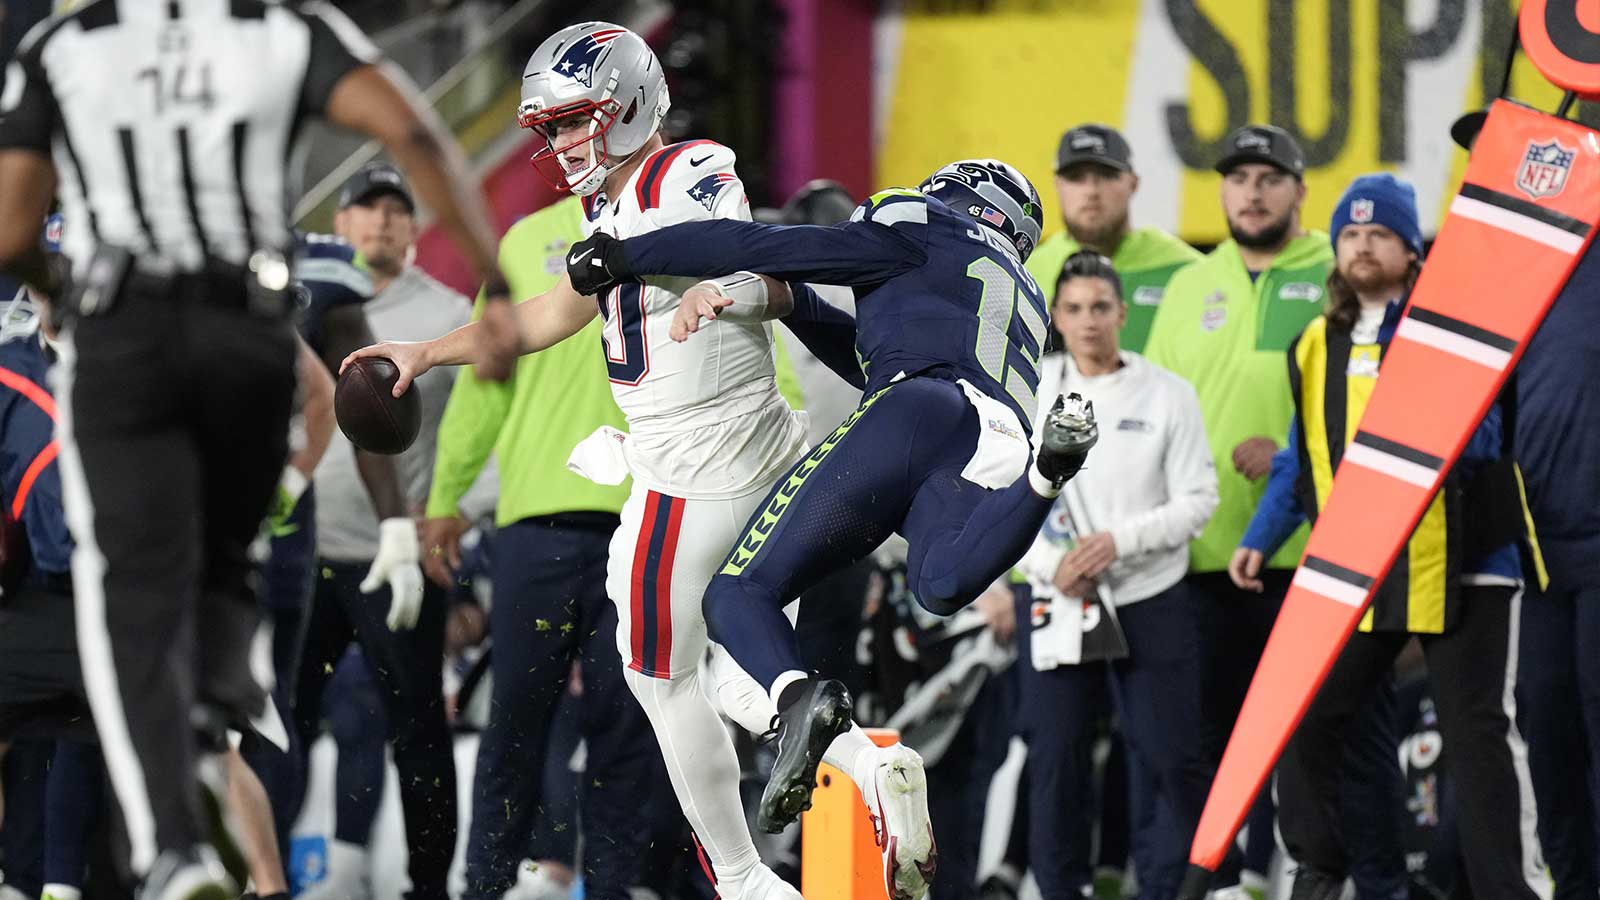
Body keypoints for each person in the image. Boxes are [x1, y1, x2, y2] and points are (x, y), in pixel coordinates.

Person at [348, 21, 933, 900]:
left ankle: (742, 879)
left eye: (578, 120)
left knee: (654, 674)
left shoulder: (684, 171)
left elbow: (728, 245)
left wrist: (714, 285)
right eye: (552, 128)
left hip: (697, 464)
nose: (564, 142)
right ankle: (859, 758)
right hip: (743, 456)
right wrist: (428, 353)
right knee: (725, 660)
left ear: (630, 103)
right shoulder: (607, 207)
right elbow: (549, 316)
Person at [0, 3, 520, 895]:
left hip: (123, 327)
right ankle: (205, 751)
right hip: (246, 326)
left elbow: (12, 229)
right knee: (224, 568)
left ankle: (174, 848)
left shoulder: (62, 45)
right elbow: (416, 131)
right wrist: (497, 283)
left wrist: (63, 288)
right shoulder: (286, 28)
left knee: (129, 586)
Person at [562, 156, 1103, 843]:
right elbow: (868, 353)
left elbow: (763, 248)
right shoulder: (1024, 290)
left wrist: (624, 256)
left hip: (916, 408)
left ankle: (795, 698)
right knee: (939, 584)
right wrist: (792, 307)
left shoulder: (922, 221)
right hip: (1000, 440)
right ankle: (1049, 479)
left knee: (737, 595)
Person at [1229, 173, 1545, 900]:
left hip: (1464, 559)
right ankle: (1318, 864)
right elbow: (1301, 453)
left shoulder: (1454, 329)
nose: (1362, 246)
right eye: (1349, 234)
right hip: (1360, 566)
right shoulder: (1314, 343)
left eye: (1379, 234)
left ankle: (1512, 891)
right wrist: (1263, 533)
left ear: (1411, 251)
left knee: (1479, 734)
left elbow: (1484, 440)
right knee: (1305, 714)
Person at [425, 193, 676, 900]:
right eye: (561, 126)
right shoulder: (525, 239)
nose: (574, 141)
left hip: (649, 520)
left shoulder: (680, 227)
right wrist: (446, 496)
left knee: (625, 726)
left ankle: (614, 889)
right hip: (538, 523)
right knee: (516, 719)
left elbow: (756, 366)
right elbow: (487, 377)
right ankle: (485, 887)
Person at [1141, 124, 1333, 884]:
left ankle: (1299, 871)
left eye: (1269, 178)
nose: (1251, 192)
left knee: (1308, 733)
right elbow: (1151, 407)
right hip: (1203, 549)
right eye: (1238, 179)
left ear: (1300, 191)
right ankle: (1224, 875)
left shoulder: (1333, 271)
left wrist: (1293, 458)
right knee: (1203, 737)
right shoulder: (1192, 282)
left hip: (1311, 551)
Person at [293, 163, 482, 900]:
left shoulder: (449, 311)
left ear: (414, 228)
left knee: (419, 734)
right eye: (365, 209)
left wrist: (457, 514)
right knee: (282, 724)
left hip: (401, 554)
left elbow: (484, 429)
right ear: (341, 224)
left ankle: (427, 888)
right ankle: (266, 877)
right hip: (305, 550)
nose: (380, 221)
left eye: (396, 211)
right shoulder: (300, 298)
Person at [1012, 250, 1219, 900]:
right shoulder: (1029, 392)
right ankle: (1060, 889)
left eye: (1101, 307)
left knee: (1168, 756)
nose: (1089, 321)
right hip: (1056, 597)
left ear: (1123, 313)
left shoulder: (1167, 393)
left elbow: (1198, 499)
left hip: (1148, 592)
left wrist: (1116, 544)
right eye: (1073, 309)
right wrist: (1050, 565)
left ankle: (1168, 888)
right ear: (1056, 317)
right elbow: (993, 500)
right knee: (1056, 759)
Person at [1025, 125, 1200, 353]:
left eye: (1107, 176)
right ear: (1058, 185)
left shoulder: (1186, 271)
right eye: (1075, 177)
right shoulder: (1026, 272)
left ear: (1134, 183)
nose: (1091, 191)